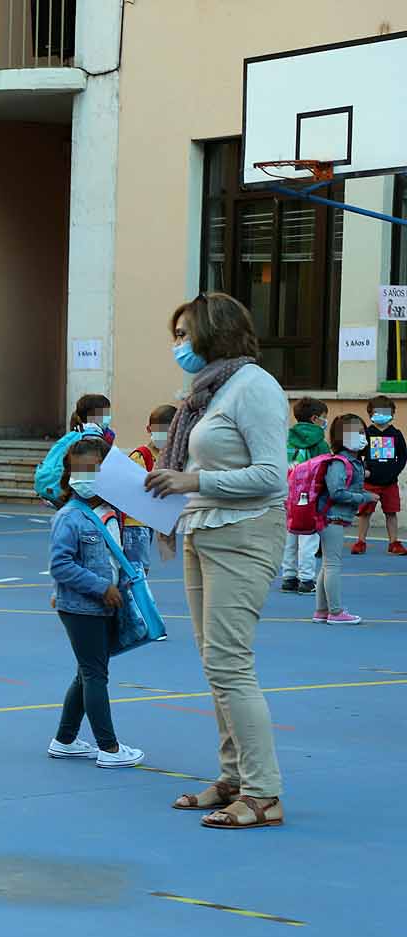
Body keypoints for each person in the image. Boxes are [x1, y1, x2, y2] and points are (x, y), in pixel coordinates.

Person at [145, 292, 288, 829]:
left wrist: (193, 480)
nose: (177, 345)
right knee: (215, 665)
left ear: (215, 333)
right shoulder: (205, 393)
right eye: (175, 335)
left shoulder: (254, 388)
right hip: (203, 529)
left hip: (244, 532)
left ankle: (264, 792)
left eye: (185, 335)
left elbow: (274, 475)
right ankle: (233, 777)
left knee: (230, 663)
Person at [46, 435, 146, 769]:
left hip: (102, 604)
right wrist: (101, 587)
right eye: (81, 469)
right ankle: (109, 747)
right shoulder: (69, 517)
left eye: (95, 469)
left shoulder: (108, 511)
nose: (87, 476)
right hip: (81, 606)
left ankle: (66, 739)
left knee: (87, 671)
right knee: (94, 674)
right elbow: (60, 564)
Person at [314, 413, 373, 625]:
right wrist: (364, 497)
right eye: (355, 432)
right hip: (332, 517)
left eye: (361, 431)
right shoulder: (340, 462)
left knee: (327, 564)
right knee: (332, 565)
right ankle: (336, 612)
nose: (361, 436)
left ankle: (322, 610)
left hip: (332, 517)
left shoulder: (352, 462)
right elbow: (336, 492)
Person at [121, 403, 177, 576]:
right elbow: (131, 489)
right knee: (138, 570)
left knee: (141, 567)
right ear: (149, 429)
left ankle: (134, 600)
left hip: (148, 523)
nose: (165, 436)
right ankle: (134, 601)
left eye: (169, 432)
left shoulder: (166, 457)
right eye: (160, 431)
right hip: (134, 523)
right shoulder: (141, 456)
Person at [280, 397, 328, 593]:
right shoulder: (320, 443)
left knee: (290, 536)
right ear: (315, 418)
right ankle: (306, 579)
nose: (326, 421)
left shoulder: (286, 438)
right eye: (324, 417)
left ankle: (288, 576)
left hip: (287, 493)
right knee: (308, 537)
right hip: (309, 496)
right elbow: (326, 467)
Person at [354, 395, 405, 555]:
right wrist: (363, 471)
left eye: (386, 412)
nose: (381, 415)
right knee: (365, 512)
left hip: (390, 483)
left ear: (392, 413)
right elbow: (356, 455)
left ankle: (394, 542)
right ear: (370, 413)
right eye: (377, 412)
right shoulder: (366, 433)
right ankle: (361, 541)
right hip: (370, 482)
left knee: (391, 512)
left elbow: (403, 456)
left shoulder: (396, 434)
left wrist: (394, 472)